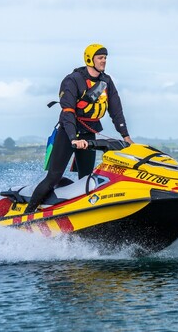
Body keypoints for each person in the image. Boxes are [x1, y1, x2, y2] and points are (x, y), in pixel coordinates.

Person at [24, 43, 133, 213]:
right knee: (54, 176)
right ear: (90, 59)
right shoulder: (73, 80)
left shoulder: (106, 81)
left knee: (86, 179)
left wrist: (125, 136)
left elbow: (116, 110)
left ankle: (85, 213)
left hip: (89, 133)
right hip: (69, 133)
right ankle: (28, 213)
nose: (104, 61)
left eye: (105, 58)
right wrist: (73, 138)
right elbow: (67, 112)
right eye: (100, 58)